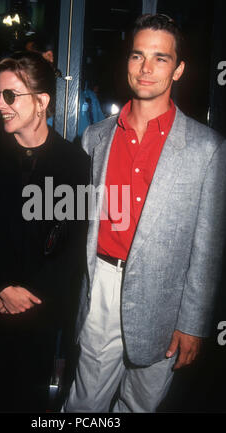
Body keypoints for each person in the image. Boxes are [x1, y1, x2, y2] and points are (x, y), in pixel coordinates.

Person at [62, 14, 226, 413]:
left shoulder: (207, 148)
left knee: (142, 406)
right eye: (138, 56)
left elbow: (208, 248)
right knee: (85, 402)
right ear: (127, 63)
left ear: (179, 68)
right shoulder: (95, 137)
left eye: (161, 58)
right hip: (100, 285)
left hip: (166, 300)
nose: (147, 68)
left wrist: (193, 323)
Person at [0, 51, 89, 412]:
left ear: (42, 102)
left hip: (37, 318)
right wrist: (0, 286)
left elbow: (72, 246)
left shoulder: (75, 164)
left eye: (10, 95)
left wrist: (30, 295)